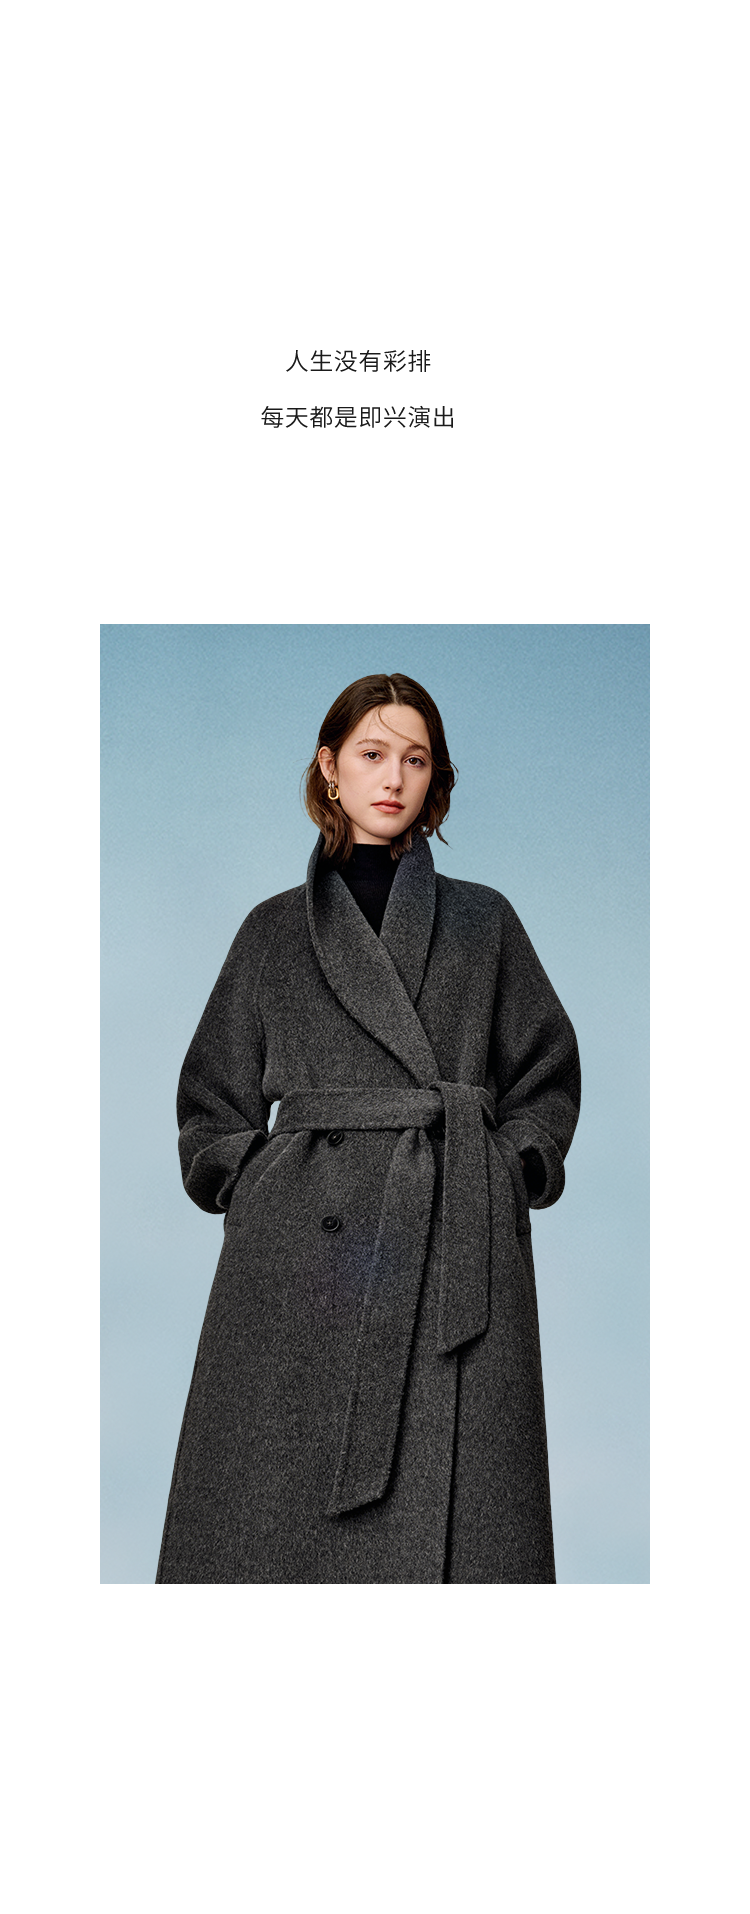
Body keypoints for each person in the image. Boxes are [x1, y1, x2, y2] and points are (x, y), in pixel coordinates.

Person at [156, 671, 580, 1583]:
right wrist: (261, 1191)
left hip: (454, 1240)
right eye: (373, 753)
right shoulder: (271, 931)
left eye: (415, 759)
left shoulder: (484, 921)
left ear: (436, 778)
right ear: (330, 766)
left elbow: (547, 1075)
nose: (393, 778)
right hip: (300, 1265)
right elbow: (210, 1100)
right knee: (270, 1535)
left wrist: (506, 1171)